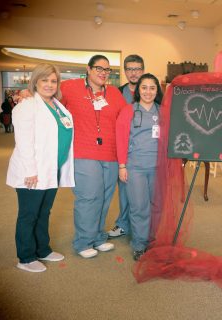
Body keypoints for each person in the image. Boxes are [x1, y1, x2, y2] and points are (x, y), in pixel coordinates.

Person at [6, 63, 74, 272]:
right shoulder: (26, 105)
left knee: (44, 211)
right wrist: (30, 171)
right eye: (44, 80)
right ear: (35, 81)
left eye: (53, 81)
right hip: (33, 171)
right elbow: (24, 142)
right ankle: (25, 257)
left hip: (51, 169)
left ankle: (42, 249)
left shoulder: (56, 105)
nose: (49, 84)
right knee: (29, 214)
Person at [60, 55, 129, 258]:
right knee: (88, 197)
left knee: (105, 198)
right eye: (98, 68)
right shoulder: (70, 87)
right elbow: (50, 100)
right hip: (84, 152)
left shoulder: (115, 93)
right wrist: (30, 92)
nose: (103, 73)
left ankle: (98, 237)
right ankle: (83, 242)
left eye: (107, 70)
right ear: (88, 69)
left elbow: (126, 120)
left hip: (111, 154)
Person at [116, 73, 163, 260]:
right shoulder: (128, 110)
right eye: (144, 87)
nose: (148, 92)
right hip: (135, 167)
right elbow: (120, 139)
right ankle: (139, 244)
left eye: (152, 88)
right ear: (138, 90)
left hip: (158, 168)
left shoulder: (162, 112)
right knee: (139, 207)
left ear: (157, 90)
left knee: (156, 206)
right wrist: (122, 166)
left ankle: (154, 240)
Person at [108, 54, 145, 239]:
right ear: (125, 71)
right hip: (122, 150)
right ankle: (123, 224)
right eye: (130, 69)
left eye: (137, 69)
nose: (133, 73)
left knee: (144, 192)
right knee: (123, 189)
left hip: (144, 151)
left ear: (143, 70)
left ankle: (142, 226)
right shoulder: (116, 92)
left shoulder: (150, 90)